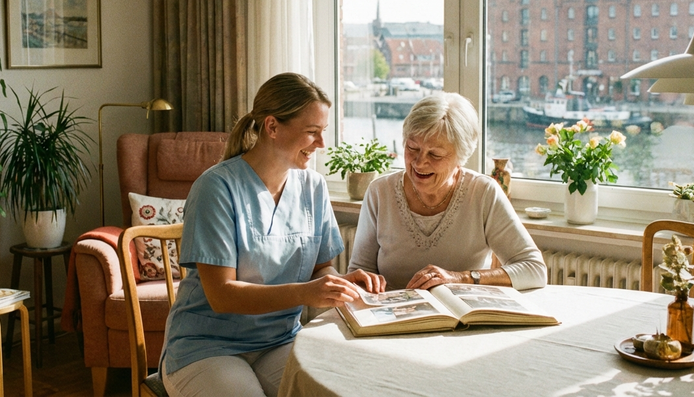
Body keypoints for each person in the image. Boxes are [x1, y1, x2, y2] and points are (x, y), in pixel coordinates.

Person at [161, 73, 386, 397]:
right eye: (312, 133)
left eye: (323, 132)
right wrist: (306, 293)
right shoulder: (216, 188)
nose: (321, 144)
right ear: (272, 127)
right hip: (207, 347)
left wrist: (342, 284)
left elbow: (320, 269)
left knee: (339, 389)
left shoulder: (314, 186)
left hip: (279, 341)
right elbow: (222, 295)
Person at [348, 92, 547, 291]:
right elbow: (360, 272)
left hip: (462, 317)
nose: (419, 162)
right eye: (412, 148)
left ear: (461, 156)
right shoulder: (380, 192)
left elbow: (534, 269)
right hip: (395, 316)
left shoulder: (483, 193)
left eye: (435, 154)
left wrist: (461, 278)